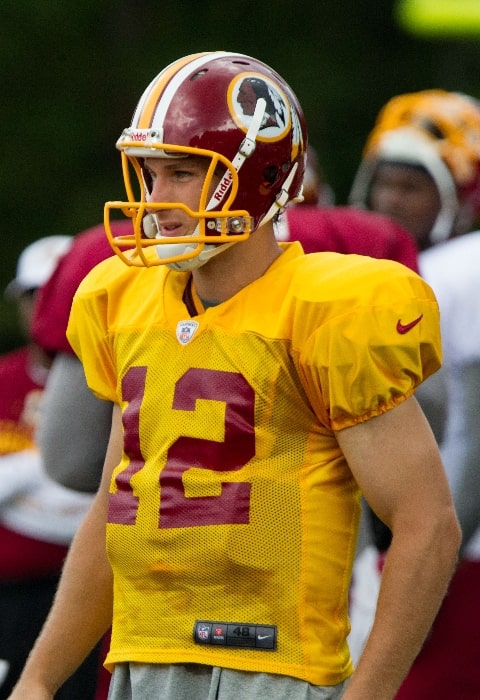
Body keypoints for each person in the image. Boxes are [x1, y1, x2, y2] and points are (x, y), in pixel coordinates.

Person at [8, 51, 460, 700]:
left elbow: (428, 523)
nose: (155, 201)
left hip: (271, 670)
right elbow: (116, 506)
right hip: (140, 658)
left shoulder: (325, 308)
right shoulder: (124, 300)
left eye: (183, 174)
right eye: (149, 175)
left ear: (259, 178)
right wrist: (41, 679)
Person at [348, 88, 480, 698]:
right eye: (386, 184)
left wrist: (432, 560)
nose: (391, 202)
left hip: (452, 551)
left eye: (414, 187)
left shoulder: (460, 270)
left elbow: (475, 435)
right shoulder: (380, 273)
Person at [0, 236, 101, 699]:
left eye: (51, 295)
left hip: (94, 597)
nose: (42, 308)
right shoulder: (3, 379)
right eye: (31, 297)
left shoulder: (117, 376)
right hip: (10, 596)